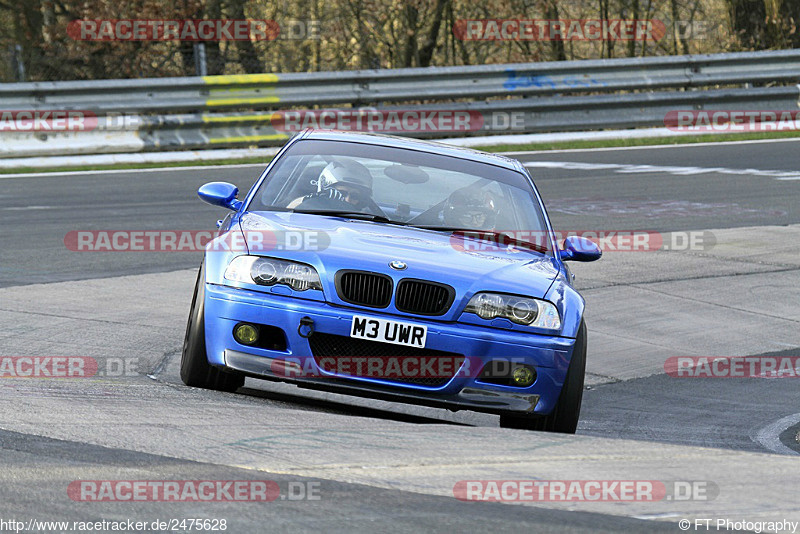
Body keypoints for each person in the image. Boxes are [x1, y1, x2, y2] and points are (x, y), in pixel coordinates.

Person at [294, 160, 374, 212]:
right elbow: (289, 214)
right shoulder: (309, 209)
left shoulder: (367, 220)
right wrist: (313, 199)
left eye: (355, 196)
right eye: (341, 193)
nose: (347, 200)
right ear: (327, 191)